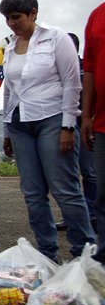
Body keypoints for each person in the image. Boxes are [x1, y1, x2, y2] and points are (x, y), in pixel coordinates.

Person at [0, 0, 95, 262]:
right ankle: (47, 255)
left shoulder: (56, 38)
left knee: (65, 190)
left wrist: (67, 126)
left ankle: (83, 256)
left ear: (33, 13)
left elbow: (72, 84)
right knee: (32, 193)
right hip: (20, 125)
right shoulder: (8, 47)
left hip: (52, 120)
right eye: (7, 18)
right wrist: (7, 129)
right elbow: (10, 91)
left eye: (16, 17)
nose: (12, 23)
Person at [55, 33, 98, 232]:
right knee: (68, 175)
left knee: (89, 173)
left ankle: (94, 214)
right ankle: (74, 217)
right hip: (64, 123)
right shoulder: (55, 68)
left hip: (85, 124)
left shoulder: (85, 68)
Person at [81, 0, 105, 265]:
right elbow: (88, 68)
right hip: (101, 124)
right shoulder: (96, 16)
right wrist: (86, 115)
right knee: (102, 196)